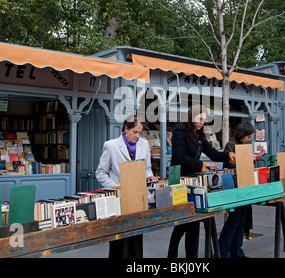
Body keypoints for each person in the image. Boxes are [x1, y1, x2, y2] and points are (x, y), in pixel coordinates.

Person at [167, 104, 236, 258]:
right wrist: (203, 165)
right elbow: (179, 156)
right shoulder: (180, 131)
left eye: (204, 120)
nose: (202, 122)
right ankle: (172, 255)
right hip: (179, 179)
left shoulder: (200, 134)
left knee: (193, 222)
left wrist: (228, 155)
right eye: (200, 119)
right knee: (183, 223)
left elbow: (212, 153)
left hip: (193, 180)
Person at [95, 114, 159, 257]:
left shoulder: (144, 144)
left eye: (139, 132)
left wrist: (150, 175)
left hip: (137, 198)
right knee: (119, 241)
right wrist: (116, 187)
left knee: (136, 239)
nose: (137, 135)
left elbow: (147, 167)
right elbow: (100, 173)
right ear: (126, 129)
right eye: (134, 132)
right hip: (119, 199)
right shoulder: (111, 145)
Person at [219, 121, 254, 258]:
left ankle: (237, 251)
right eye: (248, 137)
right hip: (234, 186)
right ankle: (223, 249)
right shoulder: (231, 145)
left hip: (244, 185)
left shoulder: (242, 145)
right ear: (242, 135)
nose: (249, 140)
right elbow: (230, 165)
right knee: (234, 221)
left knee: (240, 221)